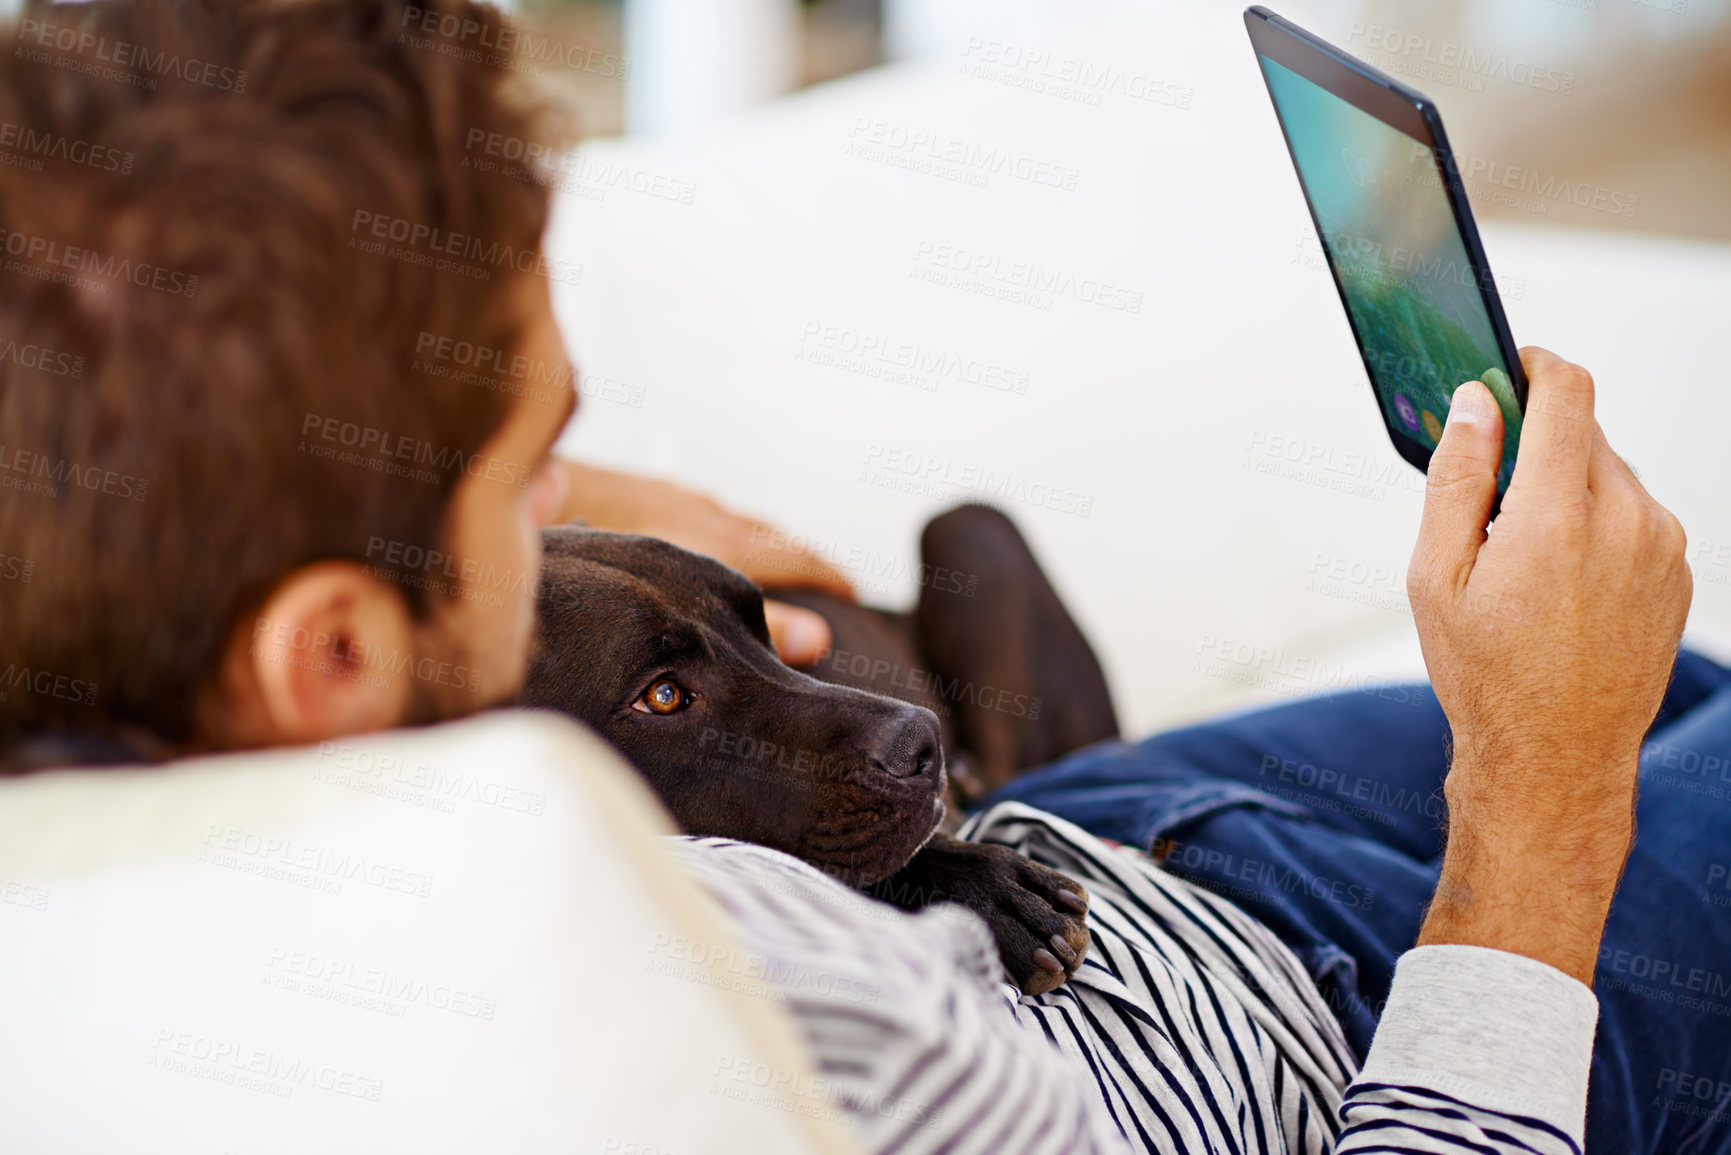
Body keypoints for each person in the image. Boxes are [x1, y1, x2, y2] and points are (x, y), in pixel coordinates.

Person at [0, 1, 1699, 1152]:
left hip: (1111, 843)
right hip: (1350, 1014)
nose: (571, 522)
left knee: (1670, 690)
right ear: (333, 655)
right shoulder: (695, 1001)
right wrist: (1537, 807)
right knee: (1627, 705)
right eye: (528, 490)